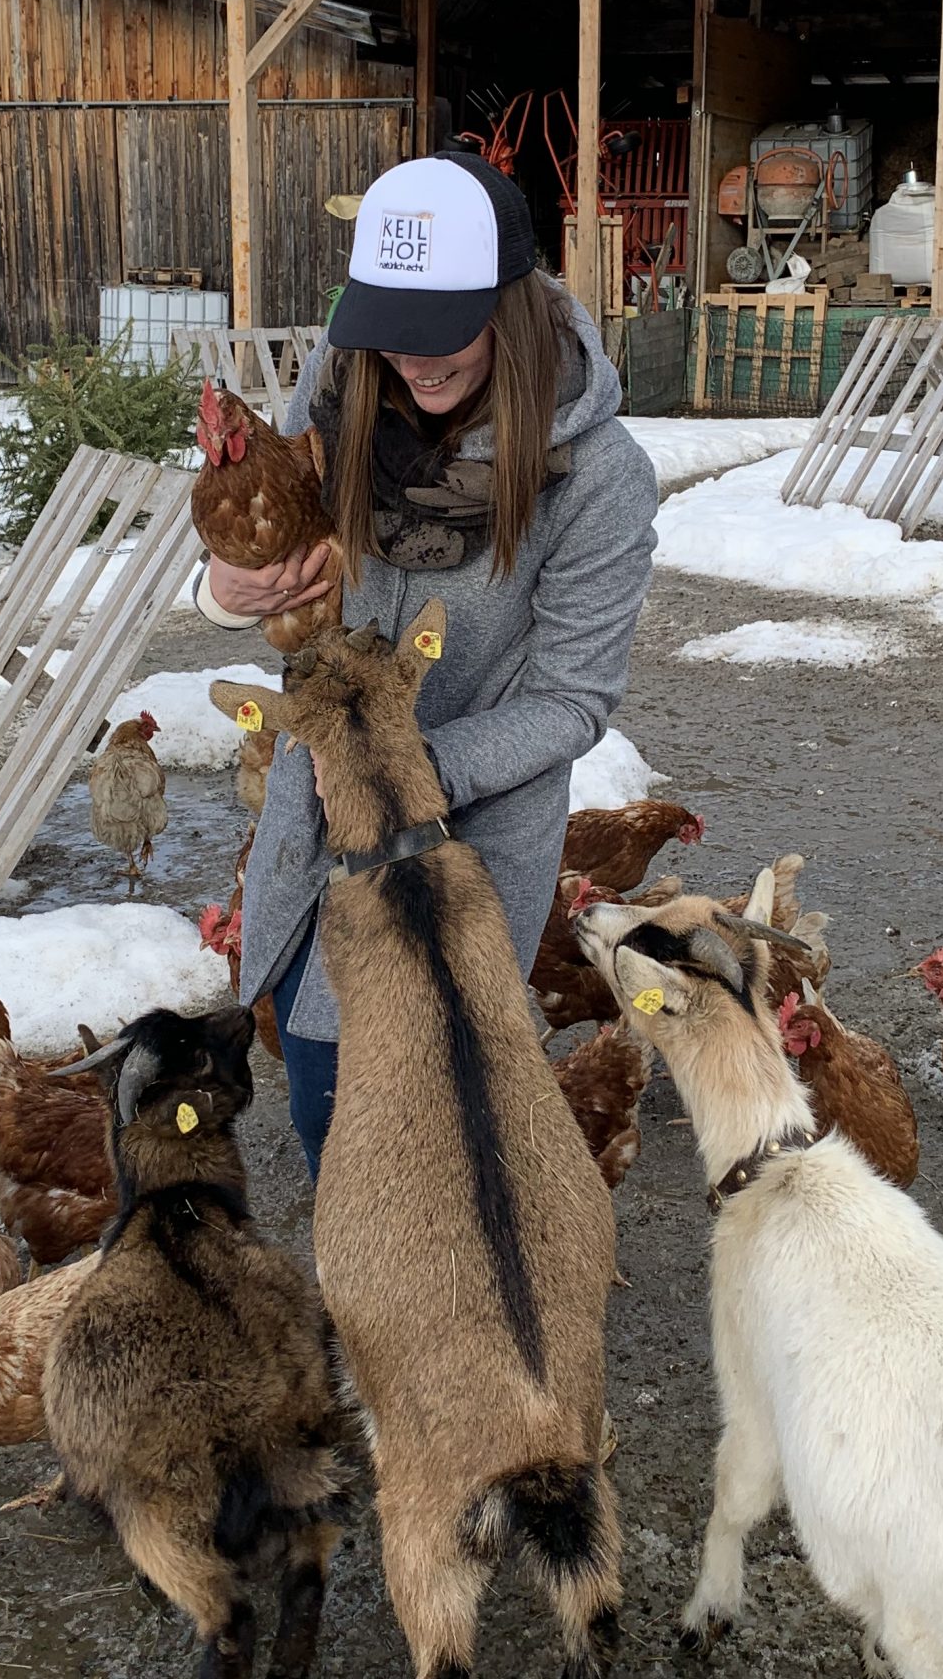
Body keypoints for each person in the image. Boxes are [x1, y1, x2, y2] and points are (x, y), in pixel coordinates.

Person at [195, 150, 658, 1179]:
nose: (413, 361)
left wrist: (406, 767)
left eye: (441, 328)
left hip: (465, 835)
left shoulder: (599, 479)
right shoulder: (342, 384)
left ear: (515, 305)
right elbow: (268, 537)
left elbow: (571, 702)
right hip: (322, 813)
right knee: (318, 1087)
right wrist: (225, 589)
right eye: (391, 329)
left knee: (428, 1123)